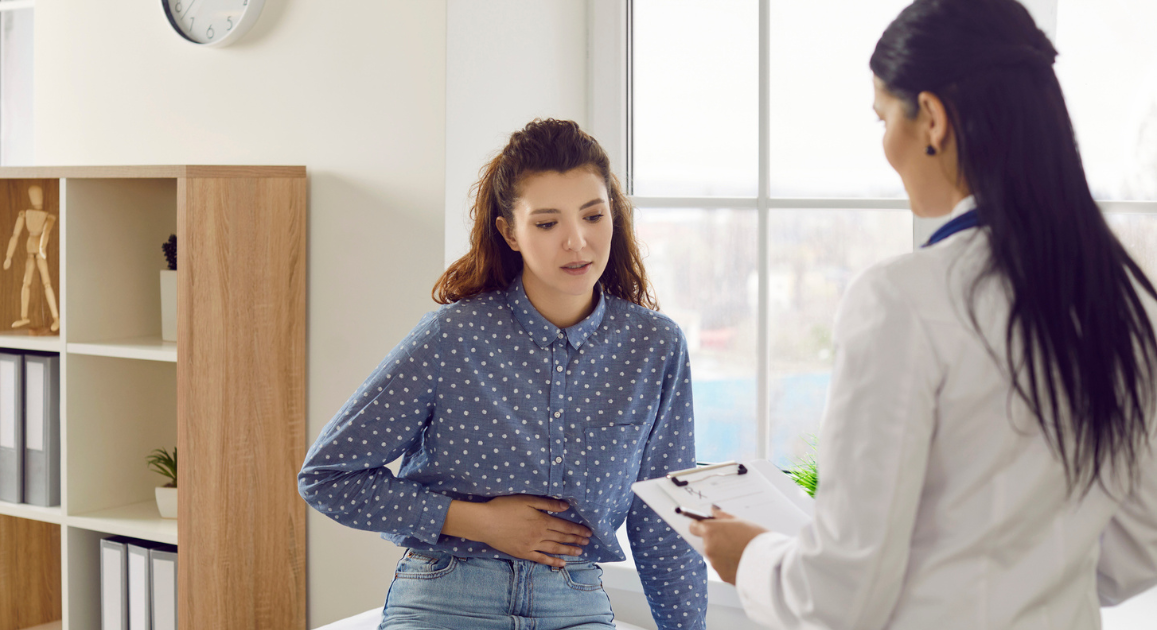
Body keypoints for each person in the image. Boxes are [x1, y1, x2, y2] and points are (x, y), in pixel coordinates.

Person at [690, 0, 1157, 628]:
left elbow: (838, 599)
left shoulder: (901, 300)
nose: (885, 145)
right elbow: (1140, 543)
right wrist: (1027, 572)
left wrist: (748, 556)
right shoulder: (1125, 295)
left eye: (884, 118)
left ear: (932, 118)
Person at [299, 119, 707, 630]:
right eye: (546, 223)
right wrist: (479, 521)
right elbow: (328, 477)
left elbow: (663, 521)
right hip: (445, 595)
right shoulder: (453, 337)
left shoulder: (654, 346)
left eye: (593, 216)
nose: (577, 242)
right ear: (509, 231)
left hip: (574, 601)